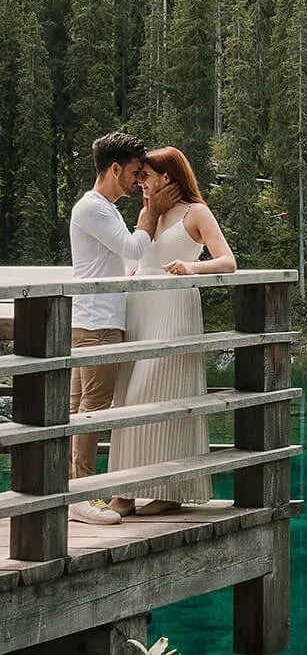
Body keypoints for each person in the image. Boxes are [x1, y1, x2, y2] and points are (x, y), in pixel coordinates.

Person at [106, 146, 237, 517]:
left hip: (174, 309)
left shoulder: (197, 212)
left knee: (166, 396)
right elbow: (136, 257)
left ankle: (171, 489)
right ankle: (125, 491)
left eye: (145, 175)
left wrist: (192, 269)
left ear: (167, 177)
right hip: (139, 310)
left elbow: (228, 260)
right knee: (128, 399)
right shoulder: (147, 212)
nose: (139, 181)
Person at [67, 130, 157, 526]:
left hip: (87, 319)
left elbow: (116, 258)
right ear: (115, 168)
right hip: (99, 323)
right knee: (93, 411)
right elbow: (135, 247)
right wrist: (152, 208)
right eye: (136, 173)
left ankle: (69, 492)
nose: (139, 181)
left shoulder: (97, 207)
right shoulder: (97, 209)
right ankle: (82, 496)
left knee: (78, 410)